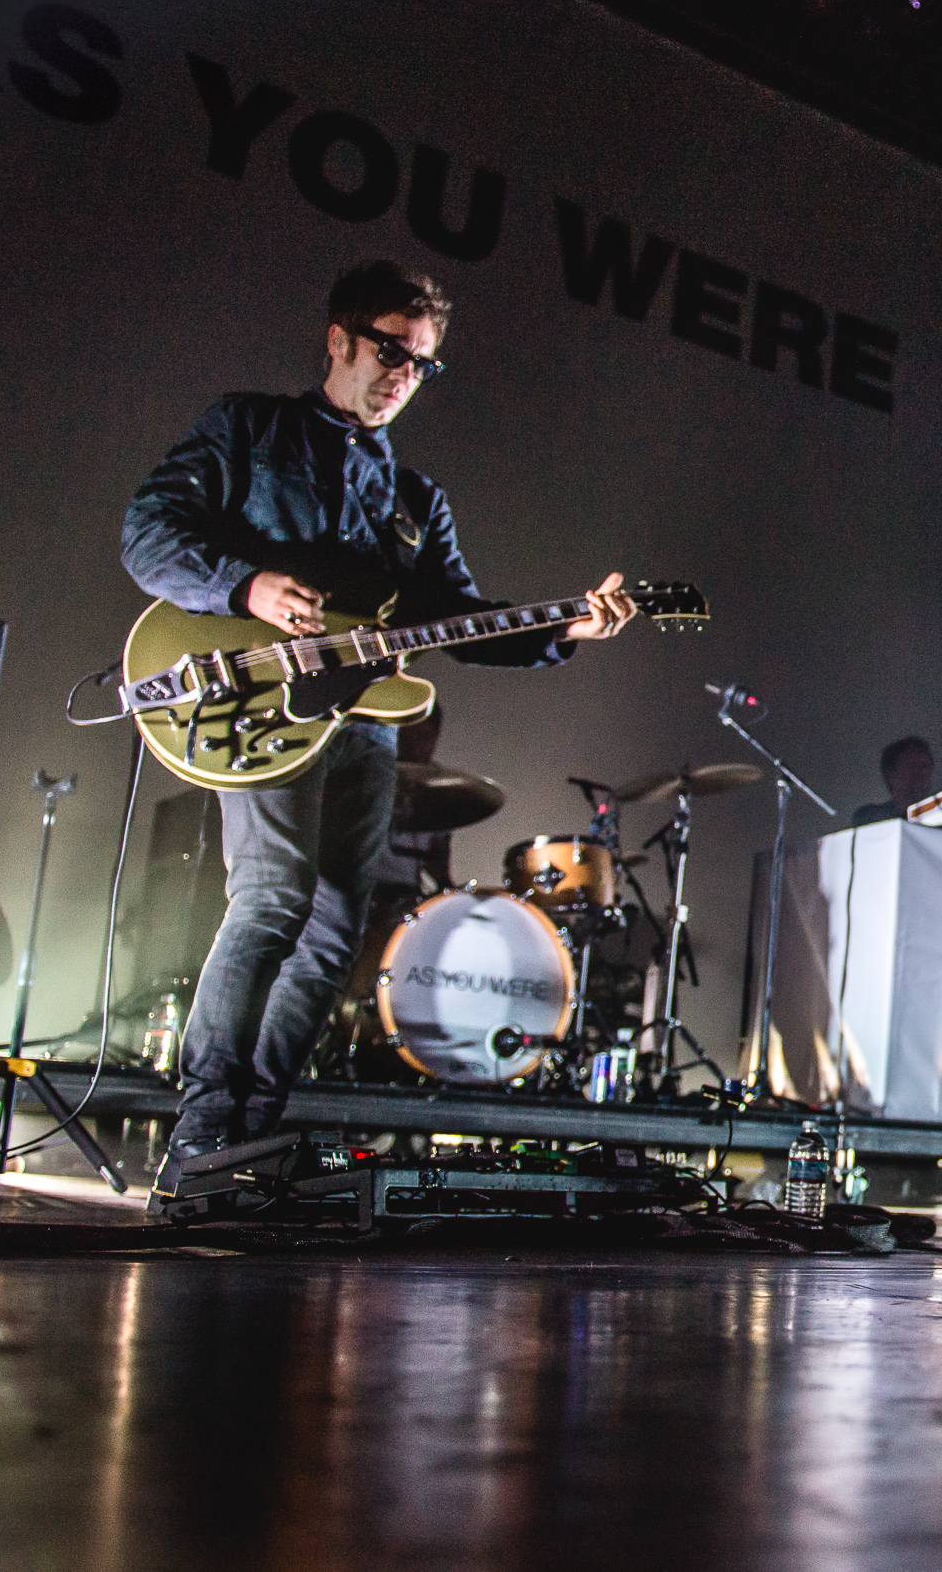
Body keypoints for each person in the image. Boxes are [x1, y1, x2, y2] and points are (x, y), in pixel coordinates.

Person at [123, 261, 640, 1203]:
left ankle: (251, 1134)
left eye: (423, 364)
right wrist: (246, 586)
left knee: (329, 931)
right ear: (339, 338)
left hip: (360, 725)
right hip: (261, 700)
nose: (404, 373)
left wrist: (566, 626)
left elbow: (467, 622)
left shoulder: (415, 497)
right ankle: (197, 1134)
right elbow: (147, 532)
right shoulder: (250, 427)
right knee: (273, 895)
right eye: (391, 350)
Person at [850, 735, 937, 826]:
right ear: (890, 776)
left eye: (924, 766)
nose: (920, 773)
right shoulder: (871, 819)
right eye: (910, 766)